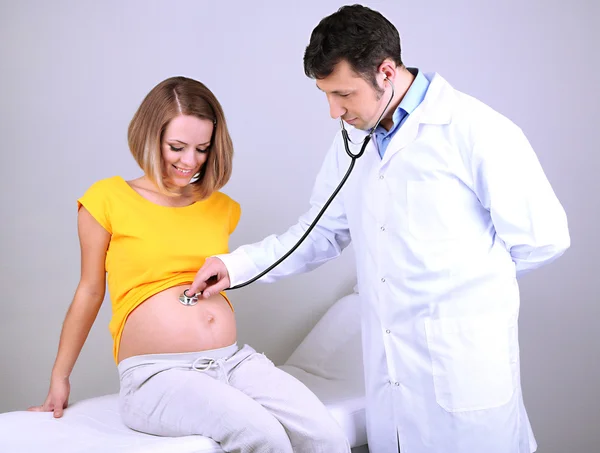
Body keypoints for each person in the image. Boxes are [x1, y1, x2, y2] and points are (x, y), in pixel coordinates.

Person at [188, 5, 571, 453]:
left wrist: (464, 299)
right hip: (392, 383)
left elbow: (544, 239)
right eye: (325, 94)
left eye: (343, 94)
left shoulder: (476, 130)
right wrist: (235, 266)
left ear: (386, 72)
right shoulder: (353, 141)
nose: (334, 110)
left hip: (465, 372)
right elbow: (320, 231)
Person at [27, 76, 350, 453]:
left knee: (326, 437)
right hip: (156, 375)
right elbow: (90, 290)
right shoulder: (107, 199)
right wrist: (59, 377)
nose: (189, 161)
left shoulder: (220, 208)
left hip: (233, 362)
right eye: (177, 147)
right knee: (263, 436)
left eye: (202, 148)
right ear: (150, 137)